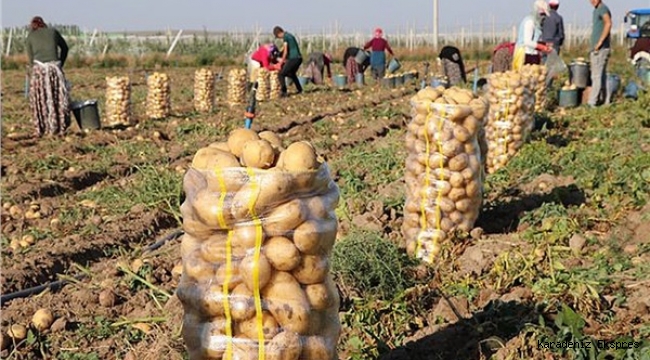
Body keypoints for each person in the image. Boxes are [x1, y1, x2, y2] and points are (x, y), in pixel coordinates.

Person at [26, 16, 70, 137]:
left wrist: (32, 71)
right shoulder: (53, 32)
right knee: (57, 98)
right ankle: (58, 126)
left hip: (39, 70)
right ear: (43, 24)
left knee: (41, 100)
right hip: (54, 69)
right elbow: (65, 48)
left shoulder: (30, 36)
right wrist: (61, 63)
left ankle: (43, 127)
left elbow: (31, 60)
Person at [513, 0, 552, 71]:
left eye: (544, 15)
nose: (543, 17)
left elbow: (534, 40)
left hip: (532, 54)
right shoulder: (530, 22)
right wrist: (542, 47)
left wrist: (544, 44)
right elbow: (527, 42)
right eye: (542, 14)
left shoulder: (536, 23)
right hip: (525, 55)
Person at [588, 0, 612, 107]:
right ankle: (605, 100)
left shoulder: (602, 8)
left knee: (596, 76)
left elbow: (608, 23)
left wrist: (600, 42)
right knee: (601, 75)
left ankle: (592, 102)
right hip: (600, 48)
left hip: (600, 49)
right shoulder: (597, 9)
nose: (591, 1)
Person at [273, 26, 303, 97]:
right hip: (299, 58)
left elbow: (285, 51)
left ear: (279, 33)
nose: (279, 38)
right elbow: (286, 49)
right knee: (291, 73)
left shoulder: (285, 37)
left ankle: (284, 92)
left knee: (281, 74)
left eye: (278, 37)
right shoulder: (290, 35)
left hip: (294, 58)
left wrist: (281, 62)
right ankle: (300, 89)